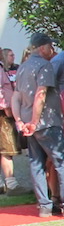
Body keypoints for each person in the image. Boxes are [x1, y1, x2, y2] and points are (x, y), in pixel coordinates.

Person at [14, 32, 64, 217]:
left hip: (29, 123)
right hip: (46, 122)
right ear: (42, 48)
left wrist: (20, 121)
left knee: (36, 163)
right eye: (51, 46)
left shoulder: (22, 67)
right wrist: (35, 121)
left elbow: (16, 96)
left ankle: (44, 206)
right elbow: (41, 93)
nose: (53, 50)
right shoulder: (44, 66)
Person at [0, 63, 19, 193]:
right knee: (6, 149)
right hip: (3, 113)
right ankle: (11, 184)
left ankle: (2, 184)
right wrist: (7, 108)